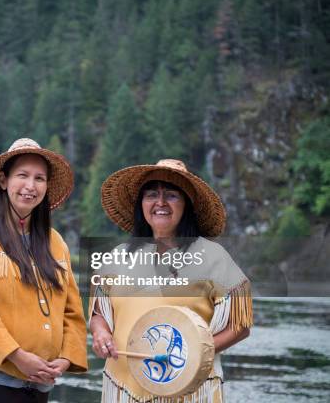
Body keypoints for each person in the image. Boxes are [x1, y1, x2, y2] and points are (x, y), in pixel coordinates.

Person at [89, 159, 253, 402]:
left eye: (172, 195)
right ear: (141, 204)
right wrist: (101, 333)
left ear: (187, 205)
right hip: (124, 388)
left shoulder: (212, 256)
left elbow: (240, 325)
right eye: (151, 194)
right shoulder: (117, 257)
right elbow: (99, 314)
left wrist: (193, 354)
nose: (160, 202)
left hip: (190, 389)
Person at [0, 138, 88, 403]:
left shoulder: (56, 242)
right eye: (22, 175)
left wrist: (65, 358)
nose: (31, 186)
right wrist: (17, 356)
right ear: (3, 181)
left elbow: (72, 312)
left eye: (40, 178)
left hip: (40, 384)